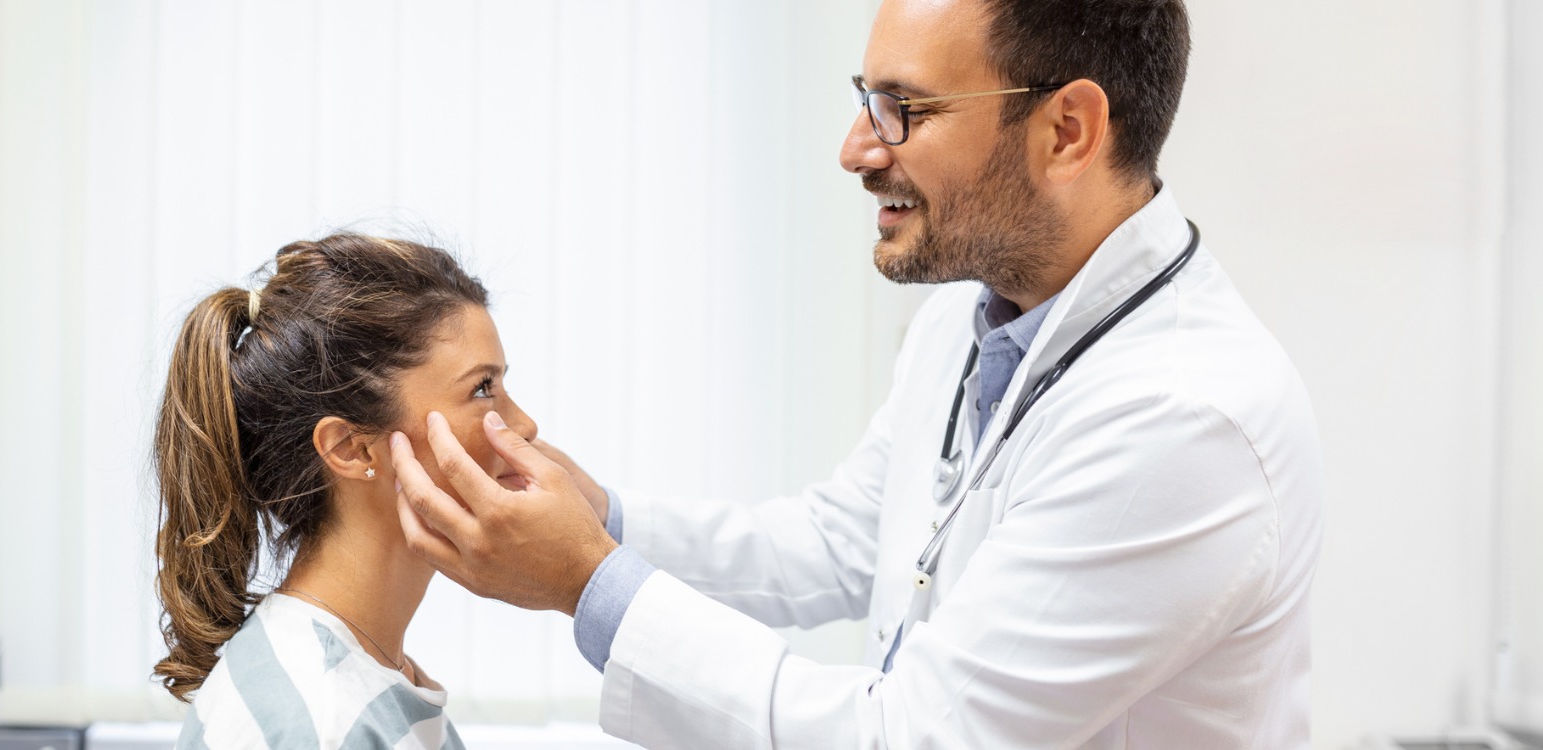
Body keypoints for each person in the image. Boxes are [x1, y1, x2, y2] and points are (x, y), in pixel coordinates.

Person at [389, 0, 1325, 748]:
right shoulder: (968, 320)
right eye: (863, 96)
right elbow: (841, 545)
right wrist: (601, 522)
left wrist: (589, 582)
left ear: (1068, 131)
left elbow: (909, 734)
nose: (856, 148)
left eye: (903, 109)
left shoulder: (1183, 417)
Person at [151, 233, 541, 749]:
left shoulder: (375, 676)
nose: (525, 426)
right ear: (352, 449)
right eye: (481, 388)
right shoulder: (317, 719)